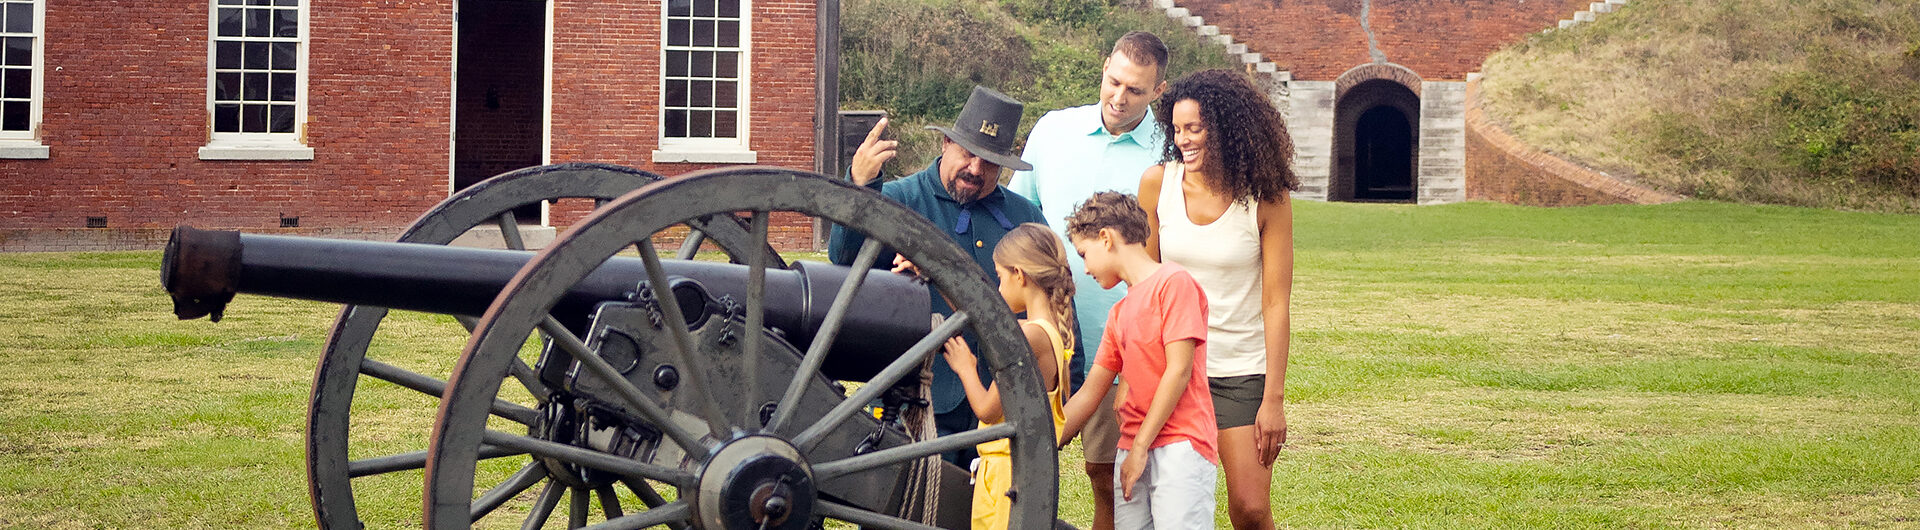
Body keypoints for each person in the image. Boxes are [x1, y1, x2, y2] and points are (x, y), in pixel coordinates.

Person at [828, 85, 1050, 465]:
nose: (976, 170)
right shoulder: (899, 198)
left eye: (990, 162)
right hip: (918, 399)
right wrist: (860, 187)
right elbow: (844, 257)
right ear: (946, 143)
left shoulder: (1023, 218)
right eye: (968, 154)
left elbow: (1057, 304)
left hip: (999, 406)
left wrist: (1070, 390)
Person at [1005, 31, 1169, 529]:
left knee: (1111, 479)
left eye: (1135, 91)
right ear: (1103, 67)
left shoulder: (1169, 147)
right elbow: (1019, 219)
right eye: (1113, 82)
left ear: (1158, 92)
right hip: (1043, 337)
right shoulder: (1053, 130)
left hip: (1121, 342)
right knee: (1019, 468)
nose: (1119, 98)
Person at [1138, 68, 1298, 530]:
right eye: (1176, 129)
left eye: (1195, 128)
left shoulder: (1267, 197)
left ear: (1227, 129)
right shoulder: (1157, 184)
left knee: (1249, 508)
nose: (1183, 139)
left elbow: (1276, 302)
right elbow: (1147, 288)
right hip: (1174, 368)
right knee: (1169, 506)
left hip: (1240, 371)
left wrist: (1274, 399)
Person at [1057, 191, 1217, 530]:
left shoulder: (1173, 283)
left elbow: (1179, 369)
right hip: (1131, 449)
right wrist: (1041, 438)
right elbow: (1090, 393)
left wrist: (1142, 445)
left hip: (1179, 446)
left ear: (1106, 238)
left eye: (1085, 254)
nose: (1084, 269)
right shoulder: (1119, 312)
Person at [940, 223, 1078, 530]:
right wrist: (935, 279)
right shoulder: (1049, 331)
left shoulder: (1030, 334)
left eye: (1001, 278)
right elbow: (984, 318)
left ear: (1020, 275)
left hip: (1006, 478)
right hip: (1018, 475)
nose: (1000, 289)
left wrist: (966, 367)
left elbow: (988, 411)